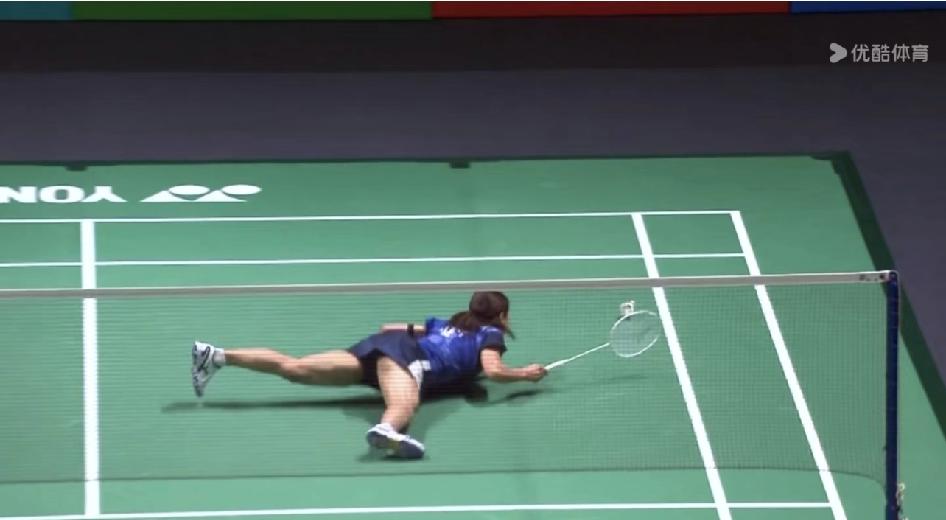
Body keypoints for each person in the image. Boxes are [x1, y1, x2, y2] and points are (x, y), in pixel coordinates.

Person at [191, 291, 547, 459]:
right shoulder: (491, 335)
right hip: (408, 357)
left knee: (296, 368)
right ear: (502, 316)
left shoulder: (449, 322)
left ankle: (217, 356)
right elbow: (493, 370)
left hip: (382, 347)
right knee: (406, 404)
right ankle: (387, 430)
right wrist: (524, 374)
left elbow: (390, 326)